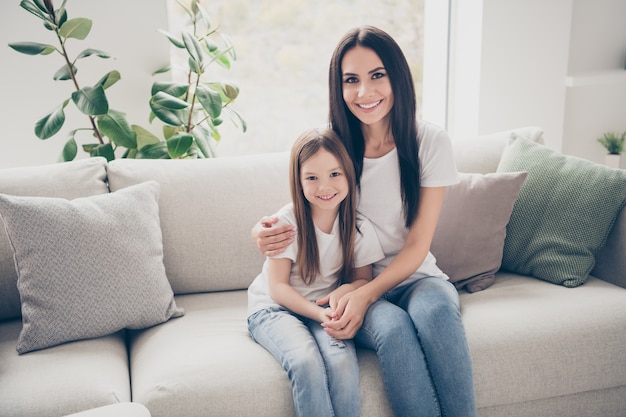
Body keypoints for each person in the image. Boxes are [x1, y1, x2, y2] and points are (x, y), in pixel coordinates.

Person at [252, 26, 477, 417]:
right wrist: (263, 230)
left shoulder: (429, 142)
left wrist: (367, 292)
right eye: (351, 80)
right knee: (392, 331)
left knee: (437, 313)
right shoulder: (338, 142)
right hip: (355, 280)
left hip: (413, 276)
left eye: (377, 76)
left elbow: (418, 243)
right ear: (338, 88)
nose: (364, 93)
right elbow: (311, 194)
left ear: (397, 77)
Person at [247, 127, 384, 417]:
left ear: (348, 174)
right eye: (312, 178)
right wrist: (320, 313)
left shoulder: (359, 227)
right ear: (298, 181)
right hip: (274, 309)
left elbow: (363, 279)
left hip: (322, 308)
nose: (325, 187)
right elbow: (279, 288)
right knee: (305, 361)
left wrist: (344, 292)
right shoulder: (286, 224)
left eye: (335, 174)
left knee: (341, 361)